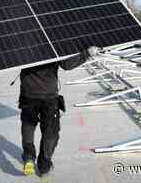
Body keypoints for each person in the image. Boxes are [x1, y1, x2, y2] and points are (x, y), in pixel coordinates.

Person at [18, 46, 101, 177]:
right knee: (50, 131)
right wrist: (87, 54)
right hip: (48, 96)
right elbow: (67, 64)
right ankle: (44, 166)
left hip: (28, 94)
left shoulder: (22, 42)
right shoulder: (51, 43)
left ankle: (28, 156)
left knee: (28, 125)